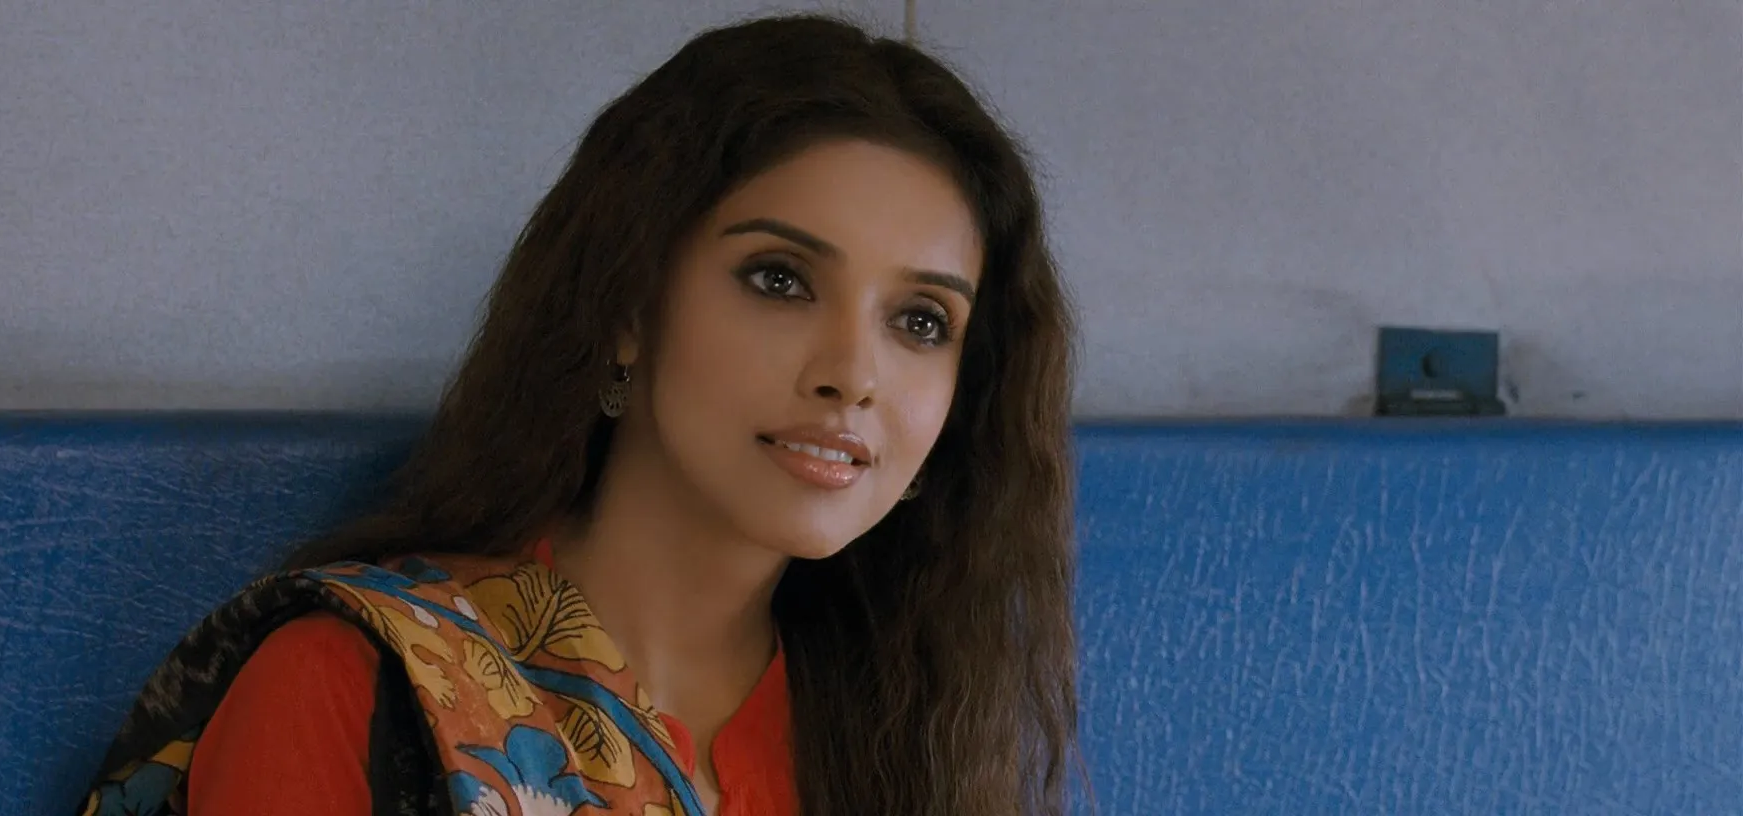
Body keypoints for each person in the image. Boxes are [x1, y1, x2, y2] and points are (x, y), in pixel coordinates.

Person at [79, 12, 1078, 816]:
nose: (853, 375)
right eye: (779, 279)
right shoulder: (357, 689)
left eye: (920, 321)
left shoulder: (901, 745)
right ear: (629, 308)